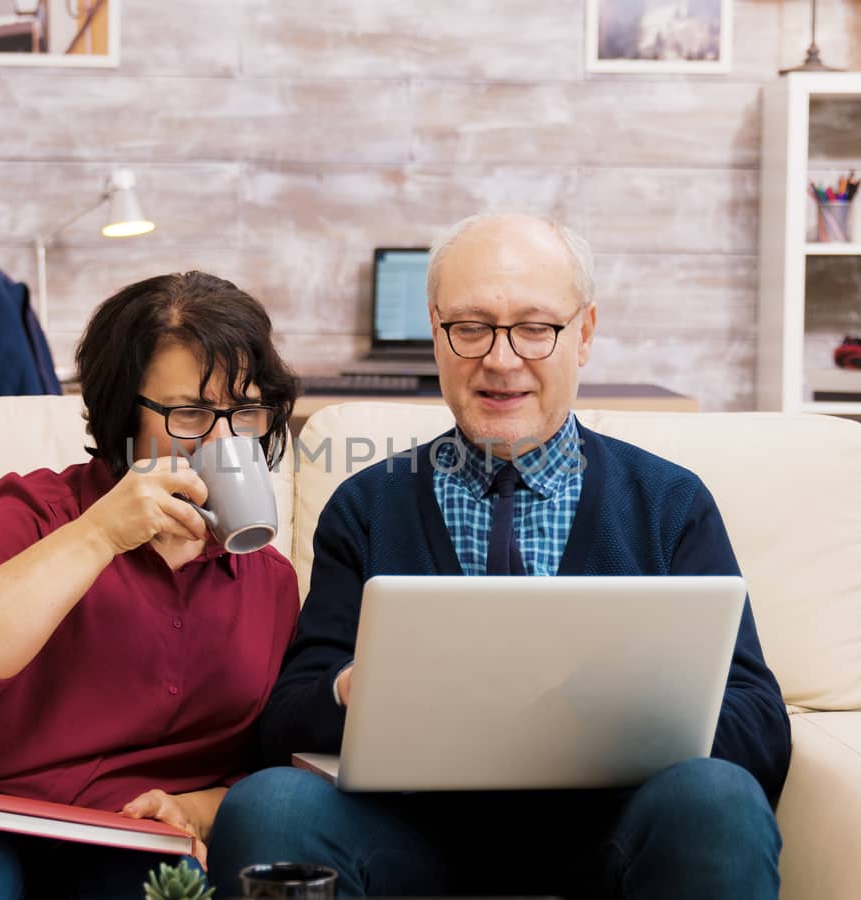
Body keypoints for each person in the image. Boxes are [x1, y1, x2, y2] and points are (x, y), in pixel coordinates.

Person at [206, 214, 791, 899]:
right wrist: (350, 692)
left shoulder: (669, 503)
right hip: (407, 838)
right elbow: (284, 724)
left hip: (610, 834)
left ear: (586, 333)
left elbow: (761, 725)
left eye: (535, 327)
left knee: (715, 797)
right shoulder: (367, 506)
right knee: (270, 806)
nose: (502, 359)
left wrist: (644, 713)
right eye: (472, 326)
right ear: (436, 332)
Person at [0, 271, 303, 900]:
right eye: (191, 413)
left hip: (112, 840)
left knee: (166, 887)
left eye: (245, 413)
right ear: (125, 410)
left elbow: (266, 764)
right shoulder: (38, 512)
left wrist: (195, 809)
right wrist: (100, 535)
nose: (223, 439)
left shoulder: (268, 581)